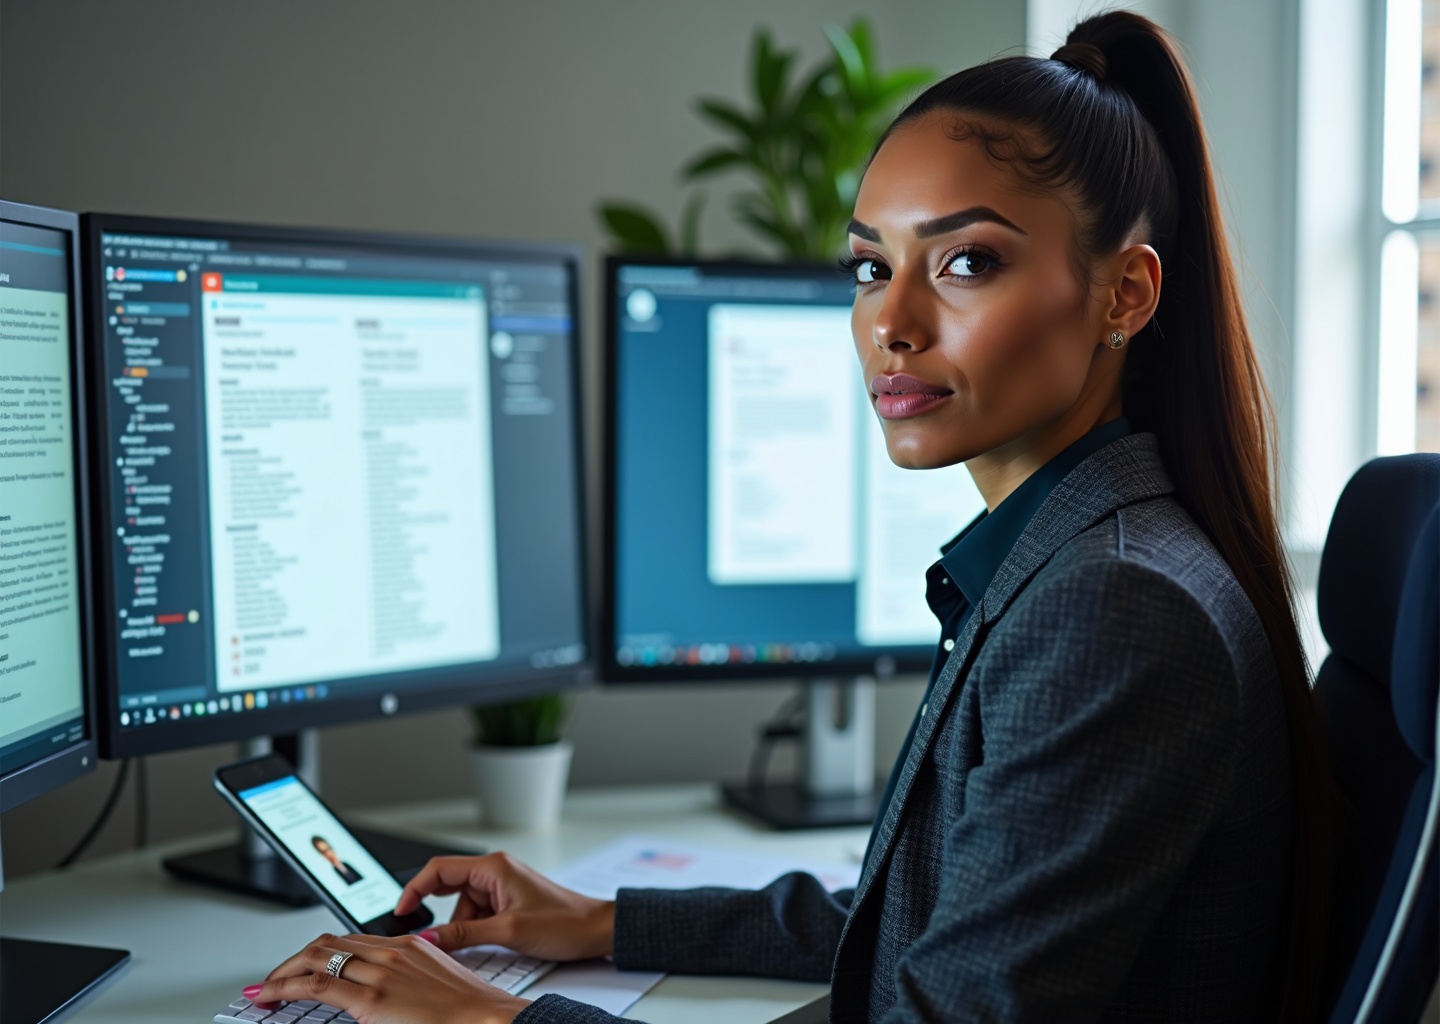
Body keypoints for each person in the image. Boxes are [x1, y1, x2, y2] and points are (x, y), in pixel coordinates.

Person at [241, 11, 1333, 1023]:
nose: (891, 323)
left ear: (1124, 296)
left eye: (966, 261)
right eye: (870, 266)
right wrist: (608, 919)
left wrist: (494, 1014)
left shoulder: (1115, 603)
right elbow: (935, 915)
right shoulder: (1080, 556)